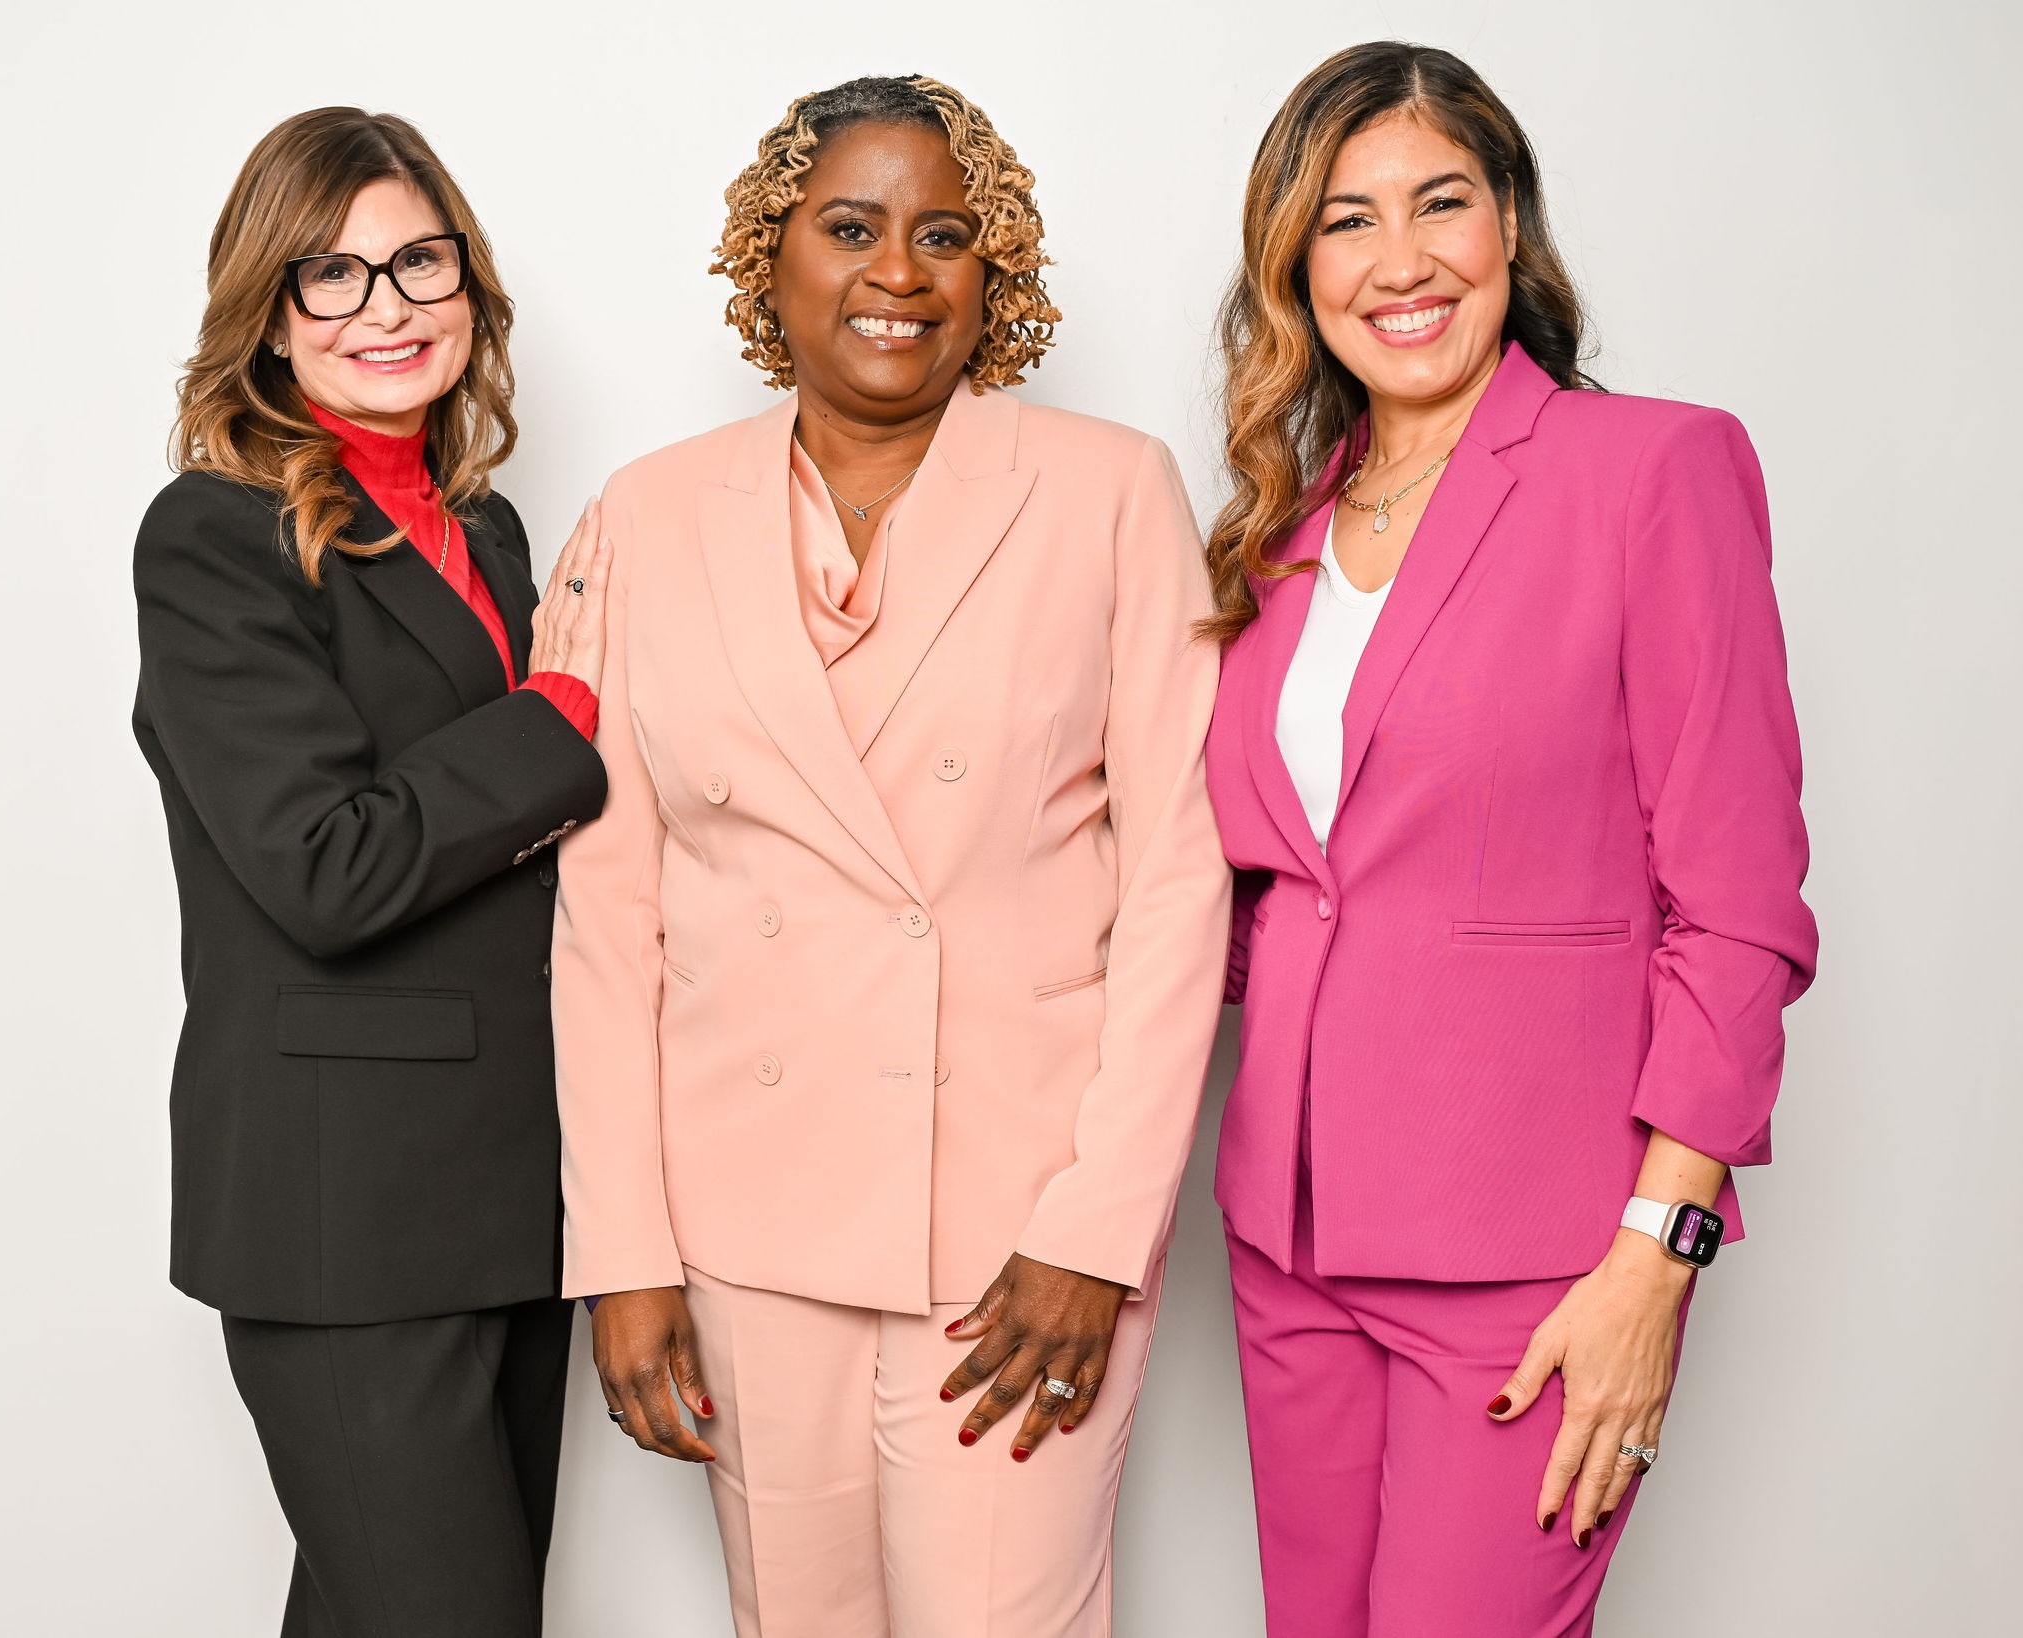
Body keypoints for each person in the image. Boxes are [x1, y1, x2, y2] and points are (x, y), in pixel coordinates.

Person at [549, 74, 1229, 1638]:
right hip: (746, 1226)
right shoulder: (649, 514)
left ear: (995, 269)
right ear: (770, 253)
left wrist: (1096, 1232)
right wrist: (624, 1251)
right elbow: (608, 911)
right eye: (850, 228)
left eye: (946, 235)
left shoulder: (1109, 490)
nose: (899, 274)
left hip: (1016, 1228)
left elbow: (1180, 883)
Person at [1201, 43, 1818, 1636]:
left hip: (1540, 1260)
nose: (1399, 260)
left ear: (1511, 227)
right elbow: (1282, 891)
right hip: (1287, 1239)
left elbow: (1738, 908)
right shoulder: (1281, 523)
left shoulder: (1652, 470)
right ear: (1295, 265)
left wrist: (1656, 1256)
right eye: (1347, 220)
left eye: (1442, 203)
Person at [133, 107, 610, 1638]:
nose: (385, 305)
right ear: (269, 315)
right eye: (330, 274)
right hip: (345, 1219)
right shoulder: (213, 538)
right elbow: (323, 865)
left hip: (515, 1199)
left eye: (419, 262)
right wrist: (559, 721)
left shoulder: (488, 530)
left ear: (468, 284)